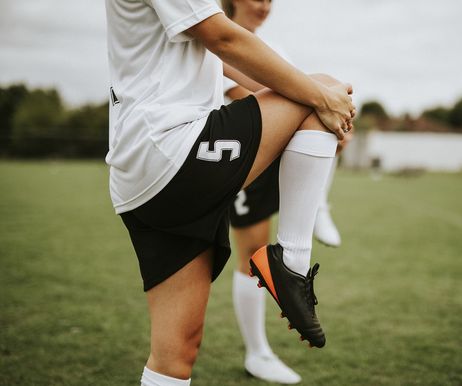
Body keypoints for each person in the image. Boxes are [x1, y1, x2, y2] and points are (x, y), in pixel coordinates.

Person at [105, 0, 355, 385]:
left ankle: (296, 254)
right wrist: (322, 98)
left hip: (143, 174)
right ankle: (293, 264)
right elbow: (221, 38)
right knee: (321, 84)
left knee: (175, 354)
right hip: (172, 148)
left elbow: (218, 58)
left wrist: (321, 109)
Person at [221, 1, 353, 383]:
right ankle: (257, 352)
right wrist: (312, 105)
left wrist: (330, 116)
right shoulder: (218, 38)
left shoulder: (273, 48)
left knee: (328, 112)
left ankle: (318, 208)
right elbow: (243, 95)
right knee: (250, 256)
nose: (263, 5)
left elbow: (297, 93)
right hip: (237, 150)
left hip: (274, 150)